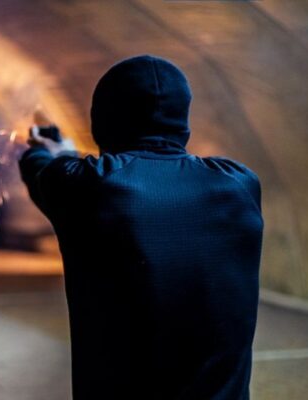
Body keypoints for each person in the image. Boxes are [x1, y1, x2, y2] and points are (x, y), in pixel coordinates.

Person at [18, 55, 264, 399]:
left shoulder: (87, 186)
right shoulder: (239, 182)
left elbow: (43, 171)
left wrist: (47, 152)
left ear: (103, 119)